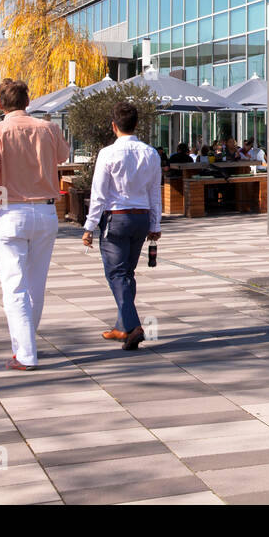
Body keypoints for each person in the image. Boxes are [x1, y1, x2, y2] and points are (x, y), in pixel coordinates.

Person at [0, 78, 70, 370]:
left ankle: (25, 352)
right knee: (36, 283)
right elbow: (63, 157)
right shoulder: (49, 129)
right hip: (47, 211)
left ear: (0, 104)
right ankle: (27, 341)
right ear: (28, 102)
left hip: (10, 210)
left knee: (14, 285)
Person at [82, 101, 160, 351]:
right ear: (137, 124)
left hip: (116, 217)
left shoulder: (107, 153)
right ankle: (122, 326)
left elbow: (99, 194)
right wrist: (155, 223)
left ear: (114, 126)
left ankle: (134, 326)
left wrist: (90, 225)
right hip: (141, 217)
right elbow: (155, 192)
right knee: (126, 273)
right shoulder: (150, 153)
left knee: (116, 274)